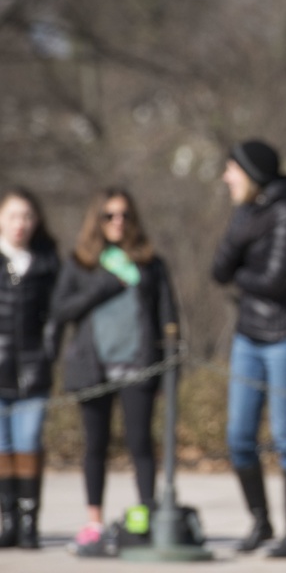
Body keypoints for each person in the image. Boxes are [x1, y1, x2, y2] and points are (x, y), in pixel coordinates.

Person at [49, 187, 178, 556]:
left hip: (138, 367)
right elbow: (61, 310)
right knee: (95, 446)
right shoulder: (80, 262)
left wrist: (170, 370)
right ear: (97, 219)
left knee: (140, 445)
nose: (117, 221)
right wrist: (105, 284)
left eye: (123, 215)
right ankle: (94, 524)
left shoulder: (150, 263)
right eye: (109, 215)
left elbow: (168, 316)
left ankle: (146, 518)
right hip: (93, 370)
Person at [212, 139, 286, 558]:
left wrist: (241, 270)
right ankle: (260, 521)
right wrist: (241, 247)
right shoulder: (246, 214)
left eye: (232, 169)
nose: (225, 177)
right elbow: (218, 269)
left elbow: (273, 281)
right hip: (248, 335)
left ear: (252, 173)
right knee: (238, 436)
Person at [0, 187, 60, 549]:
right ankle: (7, 518)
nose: (20, 224)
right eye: (13, 216)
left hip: (34, 373)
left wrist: (49, 352)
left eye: (27, 216)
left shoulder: (47, 262)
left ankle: (28, 521)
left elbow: (55, 315)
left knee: (28, 444)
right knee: (2, 447)